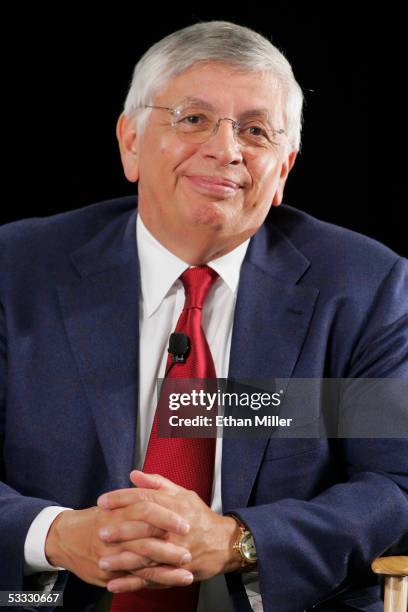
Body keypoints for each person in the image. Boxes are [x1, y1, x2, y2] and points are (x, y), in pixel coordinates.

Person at [0, 20, 407, 612]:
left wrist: (238, 540)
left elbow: (394, 484)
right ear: (131, 142)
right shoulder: (16, 270)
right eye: (193, 119)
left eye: (255, 130)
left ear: (283, 170)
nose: (225, 150)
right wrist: (58, 537)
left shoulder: (363, 286)